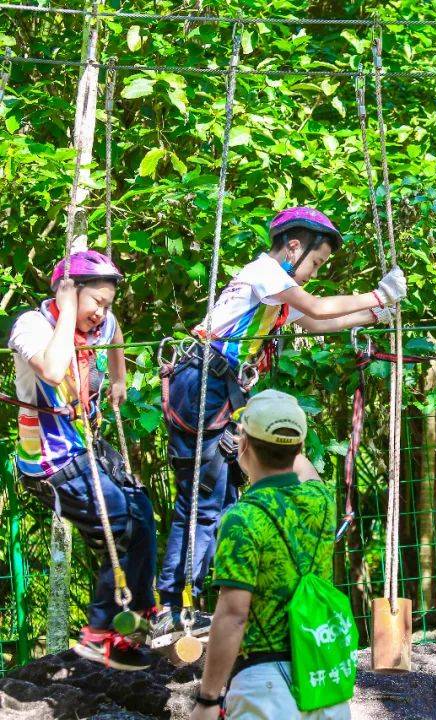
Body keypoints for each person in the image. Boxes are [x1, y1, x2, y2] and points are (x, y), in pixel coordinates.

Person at [155, 207, 407, 644]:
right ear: (294, 246)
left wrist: (373, 317)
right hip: (205, 386)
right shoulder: (264, 272)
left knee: (214, 498)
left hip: (213, 388)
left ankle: (182, 604)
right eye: (316, 261)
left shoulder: (273, 295)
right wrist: (376, 296)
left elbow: (316, 320)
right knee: (205, 502)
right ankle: (177, 607)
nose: (315, 270)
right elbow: (316, 305)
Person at [9, 250, 157, 669]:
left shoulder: (100, 321)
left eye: (107, 305)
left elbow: (117, 331)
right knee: (118, 520)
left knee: (142, 510)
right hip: (49, 458)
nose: (102, 315)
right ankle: (99, 633)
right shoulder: (33, 326)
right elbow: (53, 371)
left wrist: (119, 378)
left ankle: (139, 618)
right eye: (96, 303)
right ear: (69, 292)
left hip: (84, 444)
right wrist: (70, 306)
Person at [190, 389, 348, 720]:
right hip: (322, 677)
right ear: (300, 446)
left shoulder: (243, 518)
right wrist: (286, 418)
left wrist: (207, 700)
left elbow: (234, 615)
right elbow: (301, 467)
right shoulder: (321, 501)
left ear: (242, 443)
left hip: (265, 687)